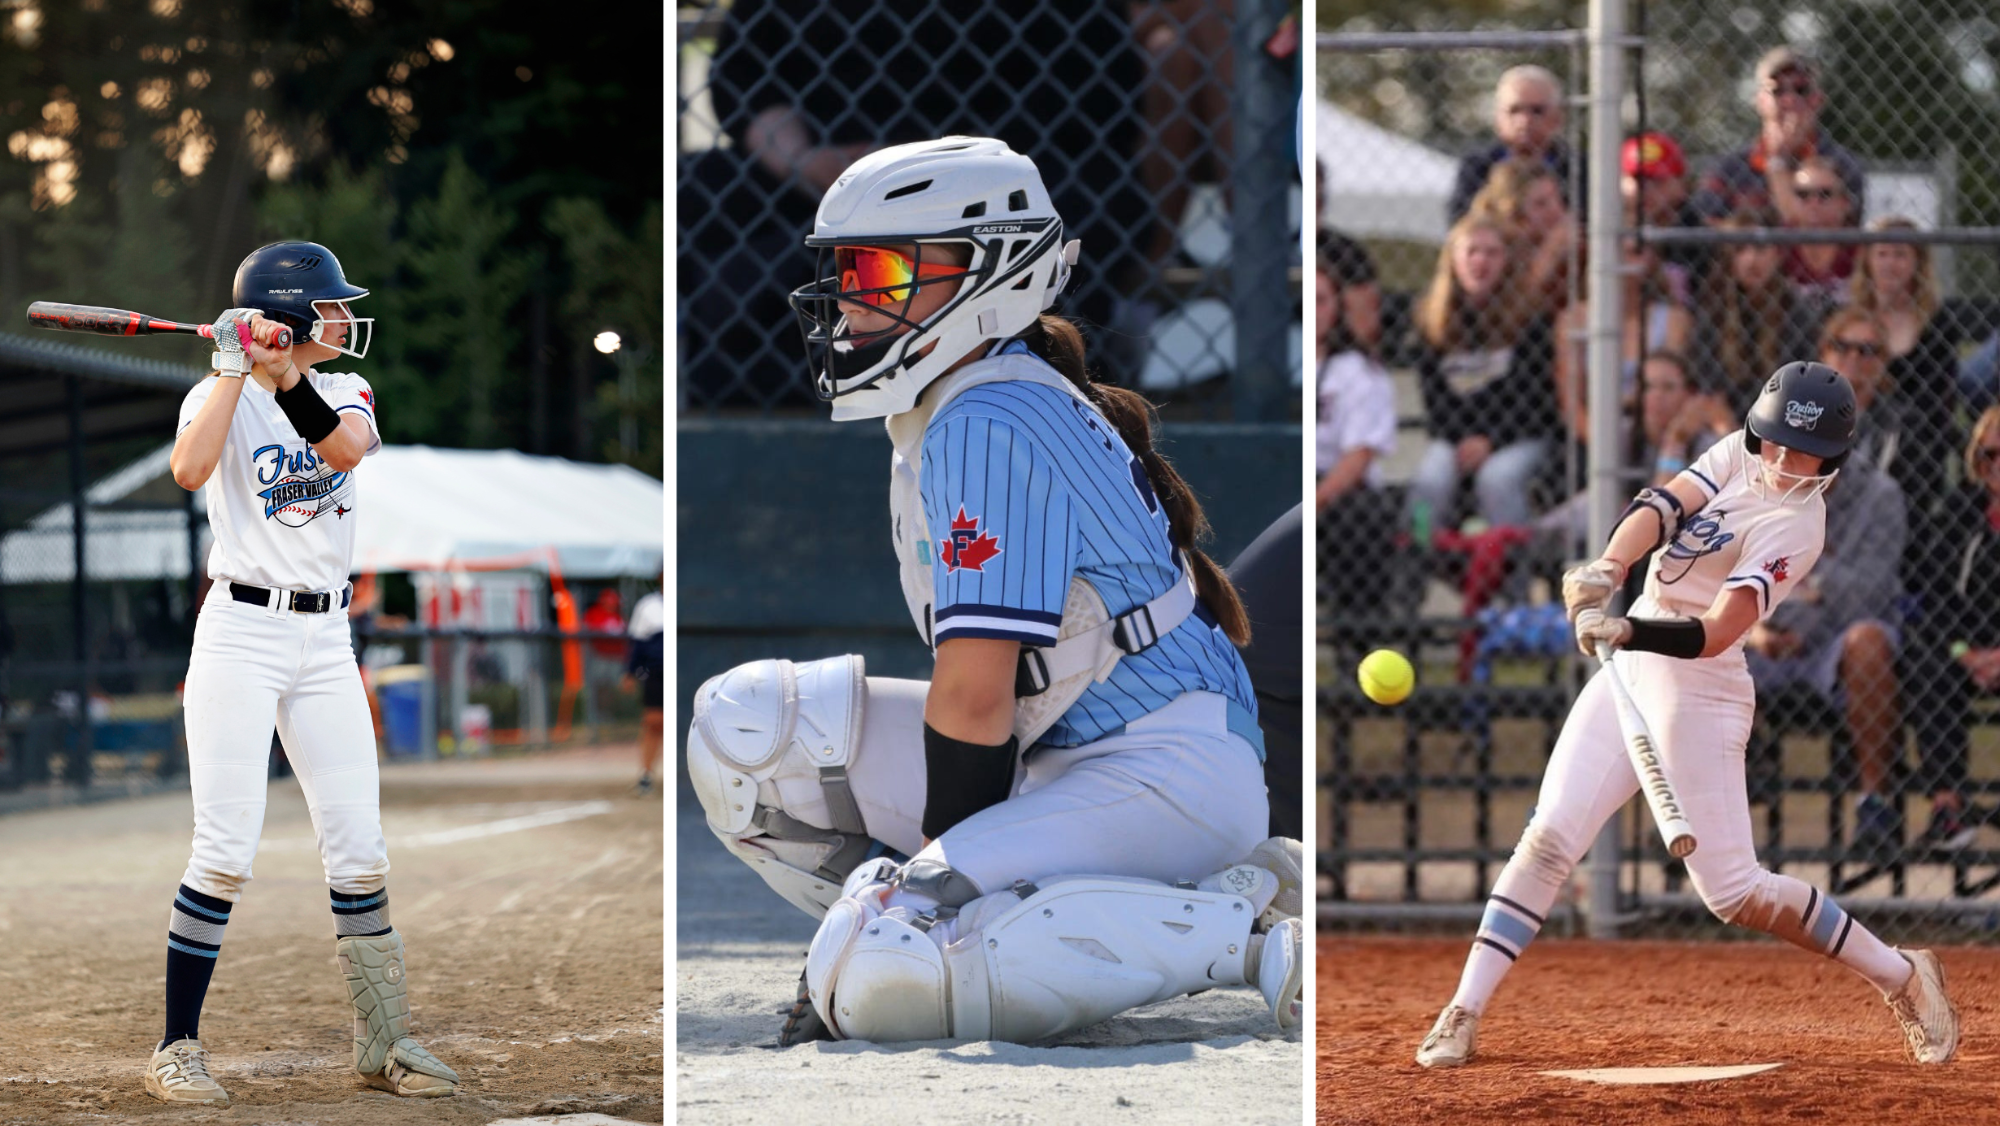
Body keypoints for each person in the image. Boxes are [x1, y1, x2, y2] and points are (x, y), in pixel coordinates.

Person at [685, 138, 1303, 1045]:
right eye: (850, 268)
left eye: (885, 268)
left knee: (878, 973)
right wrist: (944, 873)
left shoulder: (985, 414)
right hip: (1066, 752)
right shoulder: (972, 395)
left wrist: (927, 880)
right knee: (745, 733)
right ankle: (951, 924)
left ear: (990, 274)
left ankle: (1247, 936)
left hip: (1162, 775)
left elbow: (974, 703)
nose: (854, 296)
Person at [1415, 362, 1959, 1070]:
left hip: (1702, 686)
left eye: (1806, 453)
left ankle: (1903, 974)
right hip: (1637, 656)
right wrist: (1610, 568)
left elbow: (1717, 632)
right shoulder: (1738, 449)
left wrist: (1626, 632)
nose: (1785, 462)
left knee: (1733, 892)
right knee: (1548, 839)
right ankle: (1463, 1008)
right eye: (1775, 444)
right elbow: (1663, 507)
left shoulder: (1800, 525)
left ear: (1835, 458)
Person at [153, 242, 458, 1104]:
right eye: (326, 306)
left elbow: (348, 448)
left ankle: (386, 1042)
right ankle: (177, 1046)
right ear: (285, 318)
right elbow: (189, 469)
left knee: (359, 848)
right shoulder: (214, 395)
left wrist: (287, 380)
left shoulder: (343, 389)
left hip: (326, 640)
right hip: (240, 633)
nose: (342, 317)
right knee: (223, 852)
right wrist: (229, 368)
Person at [1744, 313, 1909, 857]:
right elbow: (1731, 574)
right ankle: (1716, 805)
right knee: (1708, 641)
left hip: (1832, 648)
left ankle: (1876, 807)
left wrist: (1804, 579)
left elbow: (1867, 594)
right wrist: (1761, 629)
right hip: (1764, 638)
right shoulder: (1764, 488)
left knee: (1869, 640)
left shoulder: (1880, 495)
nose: (1805, 452)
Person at [1406, 215, 1559, 533]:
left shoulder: (1530, 319)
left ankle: (1513, 573)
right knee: (1429, 481)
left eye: (1492, 252)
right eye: (1472, 251)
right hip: (1456, 437)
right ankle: (1418, 561)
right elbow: (1436, 403)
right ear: (1453, 260)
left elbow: (1534, 400)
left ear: (1507, 261)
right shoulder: (1431, 321)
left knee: (1497, 478)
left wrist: (1491, 440)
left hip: (1520, 434)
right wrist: (1465, 440)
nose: (1481, 261)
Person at [1902, 409, 2000, 850]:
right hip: (1966, 646)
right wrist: (1964, 651)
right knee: (1926, 654)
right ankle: (1947, 808)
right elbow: (1937, 596)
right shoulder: (1961, 511)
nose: (1996, 464)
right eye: (1988, 455)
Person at [1850, 216, 1963, 536]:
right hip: (1858, 431)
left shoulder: (1937, 324)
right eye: (1881, 254)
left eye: (1900, 255)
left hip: (1915, 442)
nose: (1890, 264)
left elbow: (1939, 404)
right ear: (1868, 261)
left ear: (1917, 263)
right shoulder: (1852, 318)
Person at [1691, 46, 1865, 223]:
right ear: (1759, 100)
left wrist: (1778, 162)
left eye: (1801, 90)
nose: (1789, 100)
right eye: (1778, 90)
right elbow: (1709, 229)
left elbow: (1838, 235)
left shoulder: (1842, 165)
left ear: (1818, 100)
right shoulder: (1728, 168)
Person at [1316, 253, 1399, 614]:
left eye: (1321, 299)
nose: (1313, 308)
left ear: (1338, 307)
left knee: (1359, 515)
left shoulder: (1356, 371)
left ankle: (1357, 627)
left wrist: (1315, 501)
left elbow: (1359, 456)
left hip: (1337, 491)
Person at [1692, 206, 1825, 426]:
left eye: (1761, 248)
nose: (1751, 259)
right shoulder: (1714, 311)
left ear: (1777, 254)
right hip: (1722, 426)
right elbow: (1709, 393)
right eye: (1741, 249)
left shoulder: (1797, 313)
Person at [1447, 66, 1582, 223]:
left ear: (1558, 117)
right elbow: (1460, 225)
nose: (1524, 121)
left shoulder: (1578, 167)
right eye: (1514, 110)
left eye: (1537, 111)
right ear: (1498, 118)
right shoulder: (1478, 166)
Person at [1467, 157, 1574, 316]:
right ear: (1515, 215)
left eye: (1556, 198)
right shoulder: (1494, 246)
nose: (1557, 210)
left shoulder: (1569, 244)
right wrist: (1549, 253)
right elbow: (1512, 314)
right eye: (1541, 204)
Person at [1620, 131, 1703, 297]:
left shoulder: (1694, 232)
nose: (1646, 189)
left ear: (1681, 185)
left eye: (1657, 181)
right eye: (1637, 179)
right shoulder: (1607, 222)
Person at [1781, 156, 1859, 306]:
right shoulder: (1779, 243)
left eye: (1825, 194)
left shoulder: (1859, 247)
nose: (1813, 203)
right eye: (1803, 194)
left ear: (1845, 202)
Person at [624, 579, 664, 796]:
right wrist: (630, 672)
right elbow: (637, 644)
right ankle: (646, 775)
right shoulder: (648, 605)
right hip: (657, 671)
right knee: (654, 722)